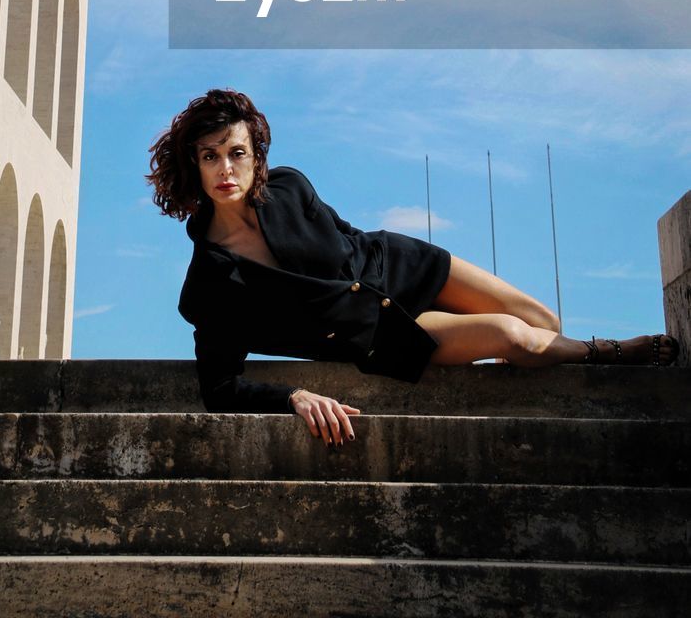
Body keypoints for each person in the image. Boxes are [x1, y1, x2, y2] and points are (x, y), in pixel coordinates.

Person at [147, 87, 680, 447]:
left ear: (256, 156)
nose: (226, 168)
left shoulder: (289, 186)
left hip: (399, 266)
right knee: (518, 339)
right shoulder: (208, 284)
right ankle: (610, 351)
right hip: (380, 332)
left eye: (236, 152)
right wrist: (293, 395)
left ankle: (559, 346)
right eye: (210, 156)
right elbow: (219, 387)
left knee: (544, 322)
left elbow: (346, 233)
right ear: (193, 166)